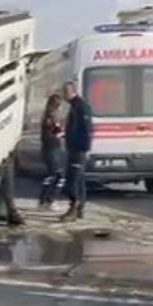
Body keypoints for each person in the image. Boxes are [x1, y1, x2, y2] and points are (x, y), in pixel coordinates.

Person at [59, 81, 93, 222]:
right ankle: (79, 208)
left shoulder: (81, 106)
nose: (64, 95)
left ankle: (74, 207)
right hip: (74, 147)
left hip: (78, 149)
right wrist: (66, 134)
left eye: (65, 92)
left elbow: (86, 129)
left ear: (72, 91)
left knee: (73, 179)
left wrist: (84, 147)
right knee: (78, 179)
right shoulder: (74, 106)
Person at [38, 94, 66, 210]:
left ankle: (44, 201)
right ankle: (50, 200)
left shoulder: (52, 118)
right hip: (51, 149)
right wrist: (59, 135)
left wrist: (61, 133)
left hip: (53, 149)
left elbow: (57, 130)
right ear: (56, 106)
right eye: (60, 106)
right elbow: (47, 136)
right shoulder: (49, 119)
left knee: (52, 175)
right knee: (58, 176)